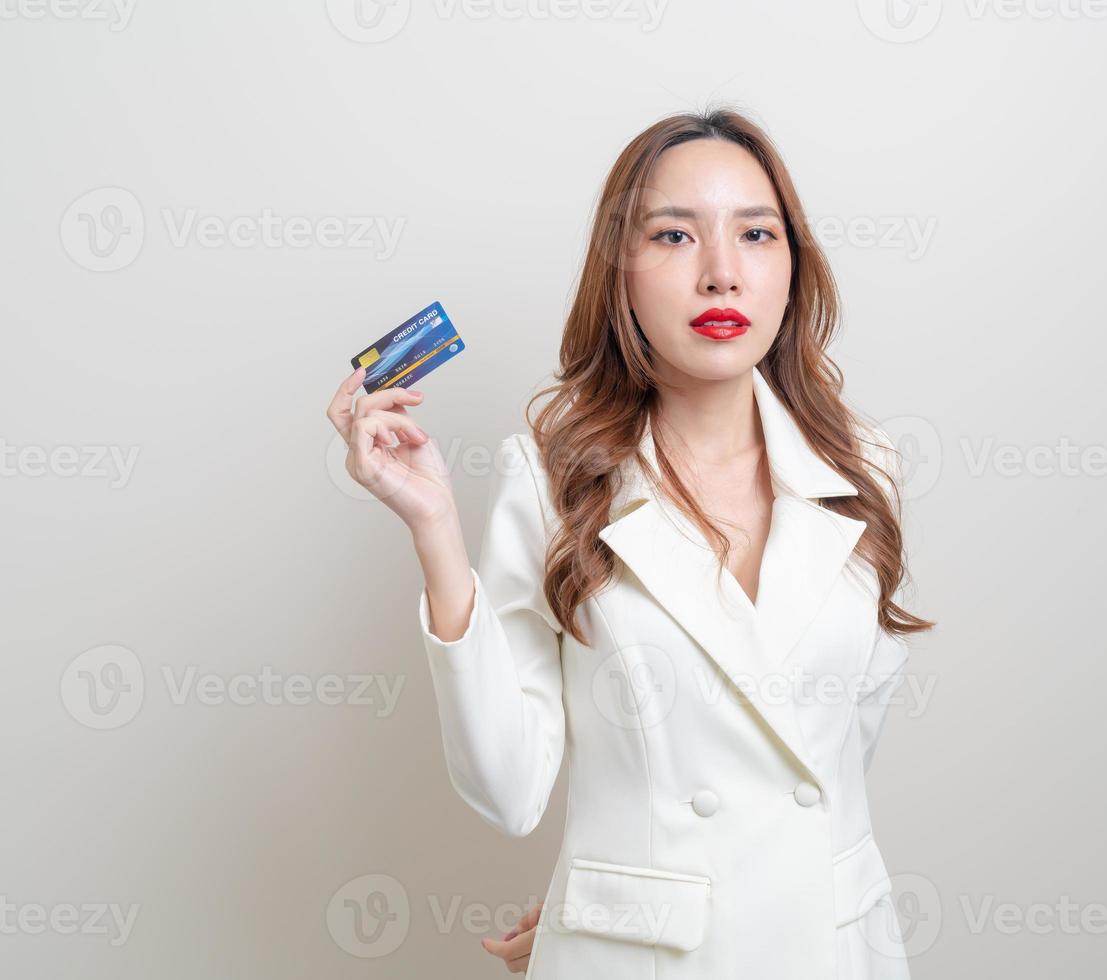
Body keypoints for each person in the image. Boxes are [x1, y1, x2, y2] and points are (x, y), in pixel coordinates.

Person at [326, 106, 934, 979]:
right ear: (620, 270)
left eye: (756, 234)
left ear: (793, 269)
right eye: (675, 235)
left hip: (838, 951)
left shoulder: (860, 467)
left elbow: (831, 750)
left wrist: (632, 895)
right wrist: (435, 533)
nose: (721, 274)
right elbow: (508, 789)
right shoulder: (552, 479)